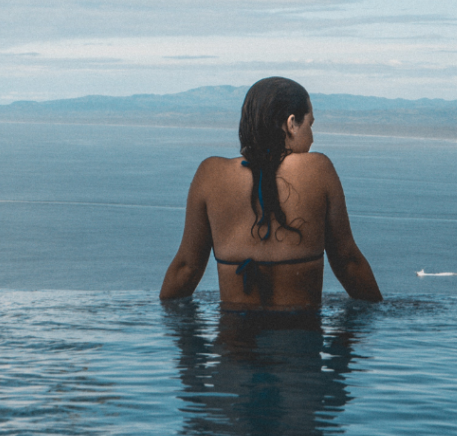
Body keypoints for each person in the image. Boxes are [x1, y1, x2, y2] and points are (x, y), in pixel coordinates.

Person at [160, 77, 382, 309]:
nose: (313, 137)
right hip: (299, 339)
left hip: (235, 338)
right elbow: (348, 263)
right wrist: (378, 314)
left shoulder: (210, 174)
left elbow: (186, 269)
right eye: (310, 125)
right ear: (291, 123)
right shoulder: (318, 169)